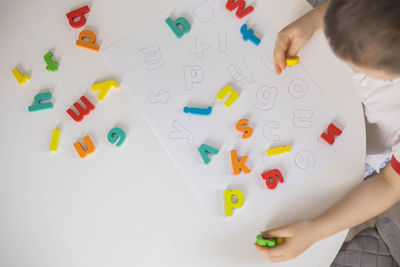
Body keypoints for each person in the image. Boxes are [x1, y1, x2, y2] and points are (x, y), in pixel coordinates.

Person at [254, 0, 400, 262]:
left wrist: (315, 230)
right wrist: (315, 20)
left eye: (353, 60)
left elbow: (390, 184)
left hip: (374, 148)